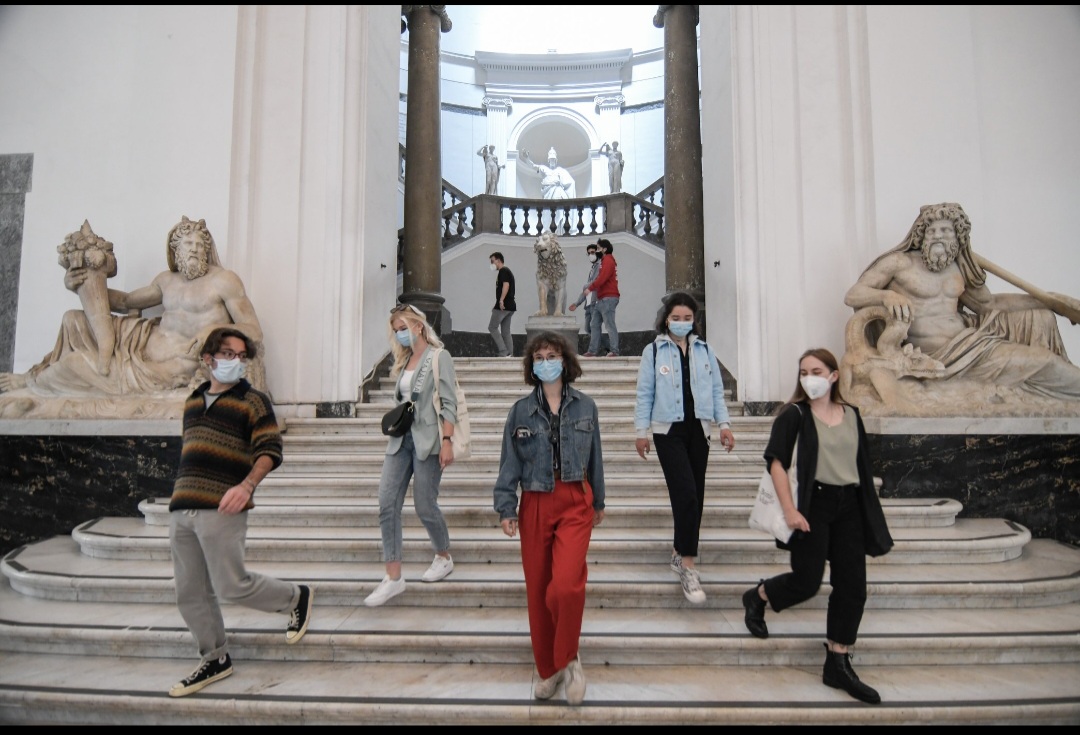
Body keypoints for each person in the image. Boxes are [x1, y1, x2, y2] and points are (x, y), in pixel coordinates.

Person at [741, 348, 893, 705]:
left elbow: (861, 465)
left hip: (850, 506)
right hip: (814, 505)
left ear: (834, 375)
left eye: (817, 370)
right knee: (807, 582)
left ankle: (837, 661)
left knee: (853, 586)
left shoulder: (853, 415)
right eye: (804, 371)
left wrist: (868, 512)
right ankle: (758, 596)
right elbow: (776, 465)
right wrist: (791, 511)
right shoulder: (793, 415)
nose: (810, 377)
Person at [166, 327, 313, 697]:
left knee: (231, 585)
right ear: (209, 358)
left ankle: (295, 597)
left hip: (224, 506)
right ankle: (215, 657)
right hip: (183, 506)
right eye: (229, 354)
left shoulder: (254, 401)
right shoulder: (192, 401)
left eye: (241, 356)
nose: (236, 362)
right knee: (189, 593)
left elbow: (270, 450)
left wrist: (246, 485)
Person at [0, 216, 265, 398]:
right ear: (176, 250)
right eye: (188, 244)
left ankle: (32, 381)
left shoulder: (224, 280)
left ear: (207, 249)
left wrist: (215, 330)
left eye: (199, 244)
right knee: (74, 319)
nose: (194, 249)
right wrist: (80, 284)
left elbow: (253, 329)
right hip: (138, 342)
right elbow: (126, 302)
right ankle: (38, 376)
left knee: (71, 366)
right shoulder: (166, 280)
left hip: (172, 363)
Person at [844, 202, 1080, 400]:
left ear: (957, 237)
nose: (938, 236)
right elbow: (853, 294)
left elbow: (989, 305)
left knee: (1046, 361)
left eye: (945, 231)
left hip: (973, 346)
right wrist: (886, 295)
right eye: (932, 230)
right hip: (930, 354)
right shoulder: (899, 263)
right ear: (922, 234)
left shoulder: (960, 268)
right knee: (1044, 364)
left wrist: (1047, 303)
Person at [493, 331, 605, 706]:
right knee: (539, 592)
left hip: (575, 499)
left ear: (565, 360)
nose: (545, 361)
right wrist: (506, 506)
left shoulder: (586, 406)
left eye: (551, 355)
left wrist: (599, 501)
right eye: (538, 356)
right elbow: (509, 462)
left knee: (566, 586)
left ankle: (569, 657)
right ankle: (550, 668)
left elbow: (596, 460)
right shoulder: (520, 411)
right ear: (531, 365)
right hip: (535, 502)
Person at [634, 292, 735, 604]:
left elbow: (717, 391)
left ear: (694, 320)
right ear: (666, 319)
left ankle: (679, 550)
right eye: (675, 318)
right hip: (668, 431)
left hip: (699, 429)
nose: (681, 323)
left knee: (695, 497)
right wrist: (642, 431)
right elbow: (644, 392)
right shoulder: (653, 351)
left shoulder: (705, 351)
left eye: (687, 318)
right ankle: (689, 567)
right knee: (687, 495)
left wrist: (724, 424)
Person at [365, 303, 460, 607]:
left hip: (429, 440)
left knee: (424, 505)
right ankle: (393, 577)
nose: (400, 334)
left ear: (419, 326)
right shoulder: (404, 358)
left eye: (403, 327)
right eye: (396, 330)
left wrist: (447, 440)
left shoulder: (438, 357)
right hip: (400, 441)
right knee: (386, 502)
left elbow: (448, 402)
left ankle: (443, 555)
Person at [583, 239, 620, 357]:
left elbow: (602, 278)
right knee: (594, 324)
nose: (597, 251)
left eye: (598, 248)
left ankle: (614, 350)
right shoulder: (604, 261)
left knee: (609, 324)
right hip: (601, 298)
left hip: (608, 297)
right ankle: (592, 351)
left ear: (604, 249)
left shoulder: (608, 260)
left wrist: (591, 287)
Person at [567, 241, 602, 350]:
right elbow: (586, 290)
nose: (591, 255)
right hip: (588, 304)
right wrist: (577, 303)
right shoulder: (592, 269)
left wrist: (585, 285)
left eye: (593, 252)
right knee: (588, 328)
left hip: (595, 302)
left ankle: (593, 350)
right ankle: (607, 346)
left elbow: (595, 282)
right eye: (589, 253)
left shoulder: (600, 266)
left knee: (594, 327)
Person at [488, 252, 517, 358]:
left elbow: (506, 285)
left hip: (504, 305)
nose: (491, 263)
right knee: (506, 331)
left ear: (498, 260)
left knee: (492, 327)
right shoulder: (507, 271)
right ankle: (510, 353)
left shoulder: (503, 271)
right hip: (510, 306)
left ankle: (504, 351)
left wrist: (501, 301)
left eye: (492, 261)